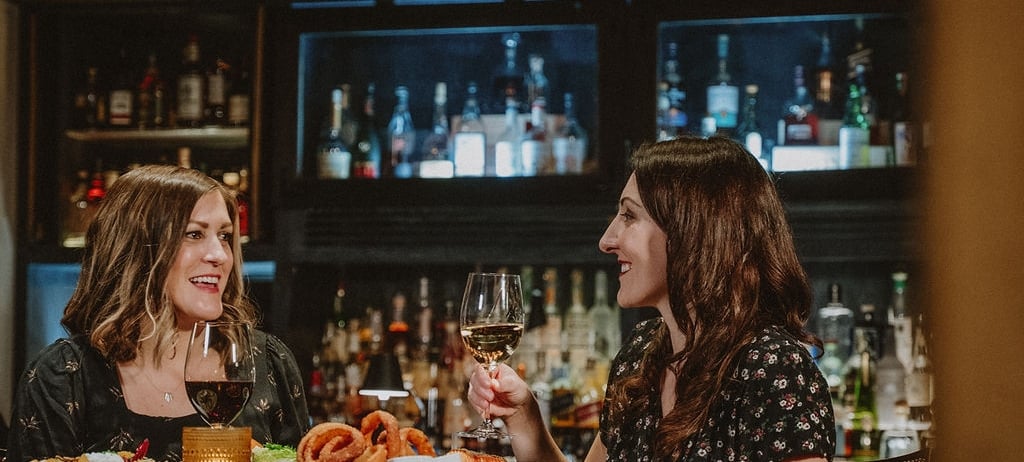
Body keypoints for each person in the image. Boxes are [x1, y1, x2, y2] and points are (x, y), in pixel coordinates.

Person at [467, 136, 835, 461]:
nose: (607, 240)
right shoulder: (643, 354)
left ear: (692, 232)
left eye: (629, 216)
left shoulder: (772, 366)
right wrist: (523, 417)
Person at [7, 165, 311, 462]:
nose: (219, 255)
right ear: (136, 249)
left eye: (224, 236)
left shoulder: (269, 362)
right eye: (194, 234)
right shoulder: (62, 377)